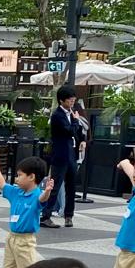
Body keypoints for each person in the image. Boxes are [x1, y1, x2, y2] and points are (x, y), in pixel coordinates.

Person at [40, 86, 79, 228]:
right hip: (60, 155)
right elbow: (69, 131)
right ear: (61, 100)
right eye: (70, 100)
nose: (72, 102)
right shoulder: (57, 115)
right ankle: (46, 215)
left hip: (71, 155)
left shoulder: (71, 113)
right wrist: (75, 121)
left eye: (73, 100)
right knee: (54, 186)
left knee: (71, 187)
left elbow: (76, 134)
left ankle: (69, 215)